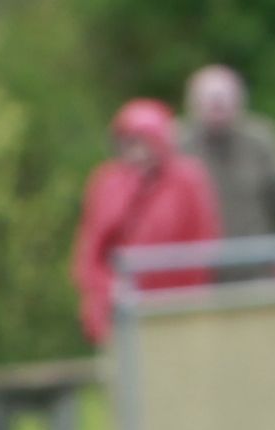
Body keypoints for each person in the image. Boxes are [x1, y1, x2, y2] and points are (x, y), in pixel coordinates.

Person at [71, 104, 219, 346]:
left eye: (145, 143)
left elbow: (203, 243)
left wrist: (181, 298)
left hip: (175, 307)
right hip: (121, 309)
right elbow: (91, 253)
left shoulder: (187, 180)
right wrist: (110, 289)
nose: (138, 153)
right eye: (129, 144)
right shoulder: (107, 183)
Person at [182, 64, 275, 249]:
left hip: (255, 256)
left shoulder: (262, 139)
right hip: (197, 260)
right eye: (209, 99)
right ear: (192, 102)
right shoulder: (177, 143)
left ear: (239, 101)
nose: (217, 105)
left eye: (224, 99)